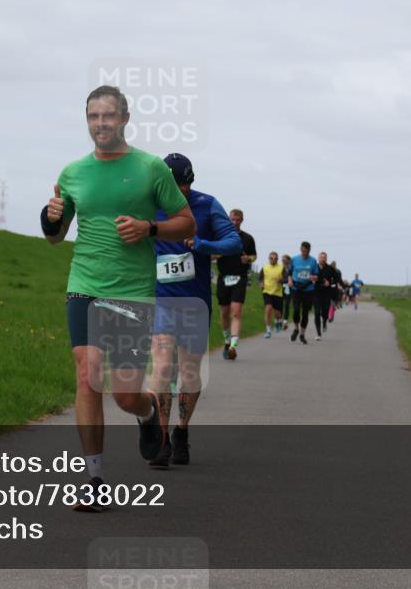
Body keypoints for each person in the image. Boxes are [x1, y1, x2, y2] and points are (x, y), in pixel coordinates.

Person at [42, 85, 195, 510]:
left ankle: (146, 413)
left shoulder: (150, 168)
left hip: (132, 291)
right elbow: (55, 237)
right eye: (93, 117)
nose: (101, 124)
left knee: (124, 394)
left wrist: (150, 228)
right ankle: (94, 479)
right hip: (84, 282)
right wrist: (50, 217)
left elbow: (186, 222)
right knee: (87, 373)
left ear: (125, 118)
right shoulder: (73, 172)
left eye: (108, 116)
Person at [149, 154, 241, 467]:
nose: (183, 190)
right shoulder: (147, 205)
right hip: (161, 301)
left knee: (189, 372)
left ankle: (181, 431)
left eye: (187, 183)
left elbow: (233, 243)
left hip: (195, 302)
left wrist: (203, 244)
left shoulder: (207, 205)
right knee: (162, 368)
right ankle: (160, 439)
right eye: (177, 185)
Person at [215, 210, 256, 359]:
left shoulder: (247, 238)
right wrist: (217, 253)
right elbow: (211, 254)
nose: (235, 222)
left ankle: (233, 346)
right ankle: (227, 342)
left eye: (238, 220)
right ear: (228, 219)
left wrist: (248, 259)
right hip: (224, 277)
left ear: (242, 220)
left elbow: (254, 255)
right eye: (233, 219)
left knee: (237, 311)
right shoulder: (220, 236)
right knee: (224, 313)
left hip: (240, 277)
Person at [288, 241, 319, 345]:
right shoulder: (294, 259)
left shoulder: (313, 261)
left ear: (309, 251)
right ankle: (296, 328)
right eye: (303, 251)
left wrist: (314, 277)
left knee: (305, 312)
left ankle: (302, 334)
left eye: (306, 251)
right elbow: (289, 272)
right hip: (296, 288)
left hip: (308, 289)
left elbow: (316, 275)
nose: (304, 253)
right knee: (296, 310)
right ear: (300, 249)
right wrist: (290, 281)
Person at [259, 251, 286, 338]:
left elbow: (286, 279)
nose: (273, 260)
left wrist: (281, 280)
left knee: (278, 313)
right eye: (271, 258)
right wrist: (261, 283)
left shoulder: (281, 268)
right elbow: (260, 278)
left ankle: (278, 322)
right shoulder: (265, 268)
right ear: (269, 259)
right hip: (267, 291)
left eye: (275, 258)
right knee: (268, 309)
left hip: (277, 293)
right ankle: (268, 331)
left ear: (277, 259)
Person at [314, 251, 338, 340]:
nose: (323, 259)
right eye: (321, 257)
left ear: (326, 259)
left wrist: (330, 283)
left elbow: (336, 280)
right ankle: (318, 333)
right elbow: (310, 276)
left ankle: (324, 322)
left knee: (325, 313)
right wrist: (311, 280)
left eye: (324, 258)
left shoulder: (330, 269)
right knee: (317, 313)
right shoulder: (314, 267)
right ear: (318, 258)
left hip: (326, 294)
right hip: (316, 293)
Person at [280, 254, 293, 330]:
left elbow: (292, 278)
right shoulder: (280, 268)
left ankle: (285, 321)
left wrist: (284, 280)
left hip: (289, 288)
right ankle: (280, 320)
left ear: (288, 260)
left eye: (284, 260)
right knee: (280, 304)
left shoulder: (291, 268)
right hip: (281, 287)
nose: (283, 261)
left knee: (287, 305)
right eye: (282, 260)